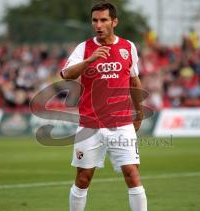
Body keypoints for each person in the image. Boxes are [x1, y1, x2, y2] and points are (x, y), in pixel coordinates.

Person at [60, 2, 147, 211]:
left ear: (114, 22)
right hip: (90, 124)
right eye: (95, 20)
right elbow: (66, 74)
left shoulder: (128, 47)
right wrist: (90, 59)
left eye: (104, 20)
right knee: (83, 178)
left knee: (132, 174)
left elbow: (134, 81)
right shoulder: (84, 48)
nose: (98, 25)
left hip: (121, 123)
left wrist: (140, 113)